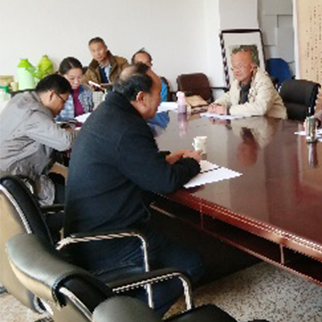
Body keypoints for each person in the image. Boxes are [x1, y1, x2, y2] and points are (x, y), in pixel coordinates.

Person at [64, 63, 204, 316]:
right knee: (191, 265)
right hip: (108, 241)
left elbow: (129, 159)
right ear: (141, 97)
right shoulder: (127, 127)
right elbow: (165, 181)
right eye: (158, 94)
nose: (161, 100)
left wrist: (164, 159)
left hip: (85, 233)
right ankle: (128, 315)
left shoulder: (109, 112)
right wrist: (192, 163)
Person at [0, 74, 76, 206]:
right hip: (19, 183)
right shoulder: (32, 112)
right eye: (63, 101)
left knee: (60, 178)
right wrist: (81, 132)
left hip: (8, 177)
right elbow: (65, 142)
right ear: (51, 95)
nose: (63, 107)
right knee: (77, 200)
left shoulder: (21, 100)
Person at [208, 46, 287, 119]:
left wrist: (228, 110)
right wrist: (216, 105)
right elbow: (229, 97)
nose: (236, 71)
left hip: (274, 123)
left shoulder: (264, 81)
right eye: (234, 67)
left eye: (240, 66)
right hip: (252, 123)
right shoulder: (236, 82)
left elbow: (261, 108)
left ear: (252, 67)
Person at [56, 57, 94, 121]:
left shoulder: (86, 90)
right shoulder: (56, 94)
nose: (76, 82)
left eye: (79, 77)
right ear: (61, 76)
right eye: (72, 78)